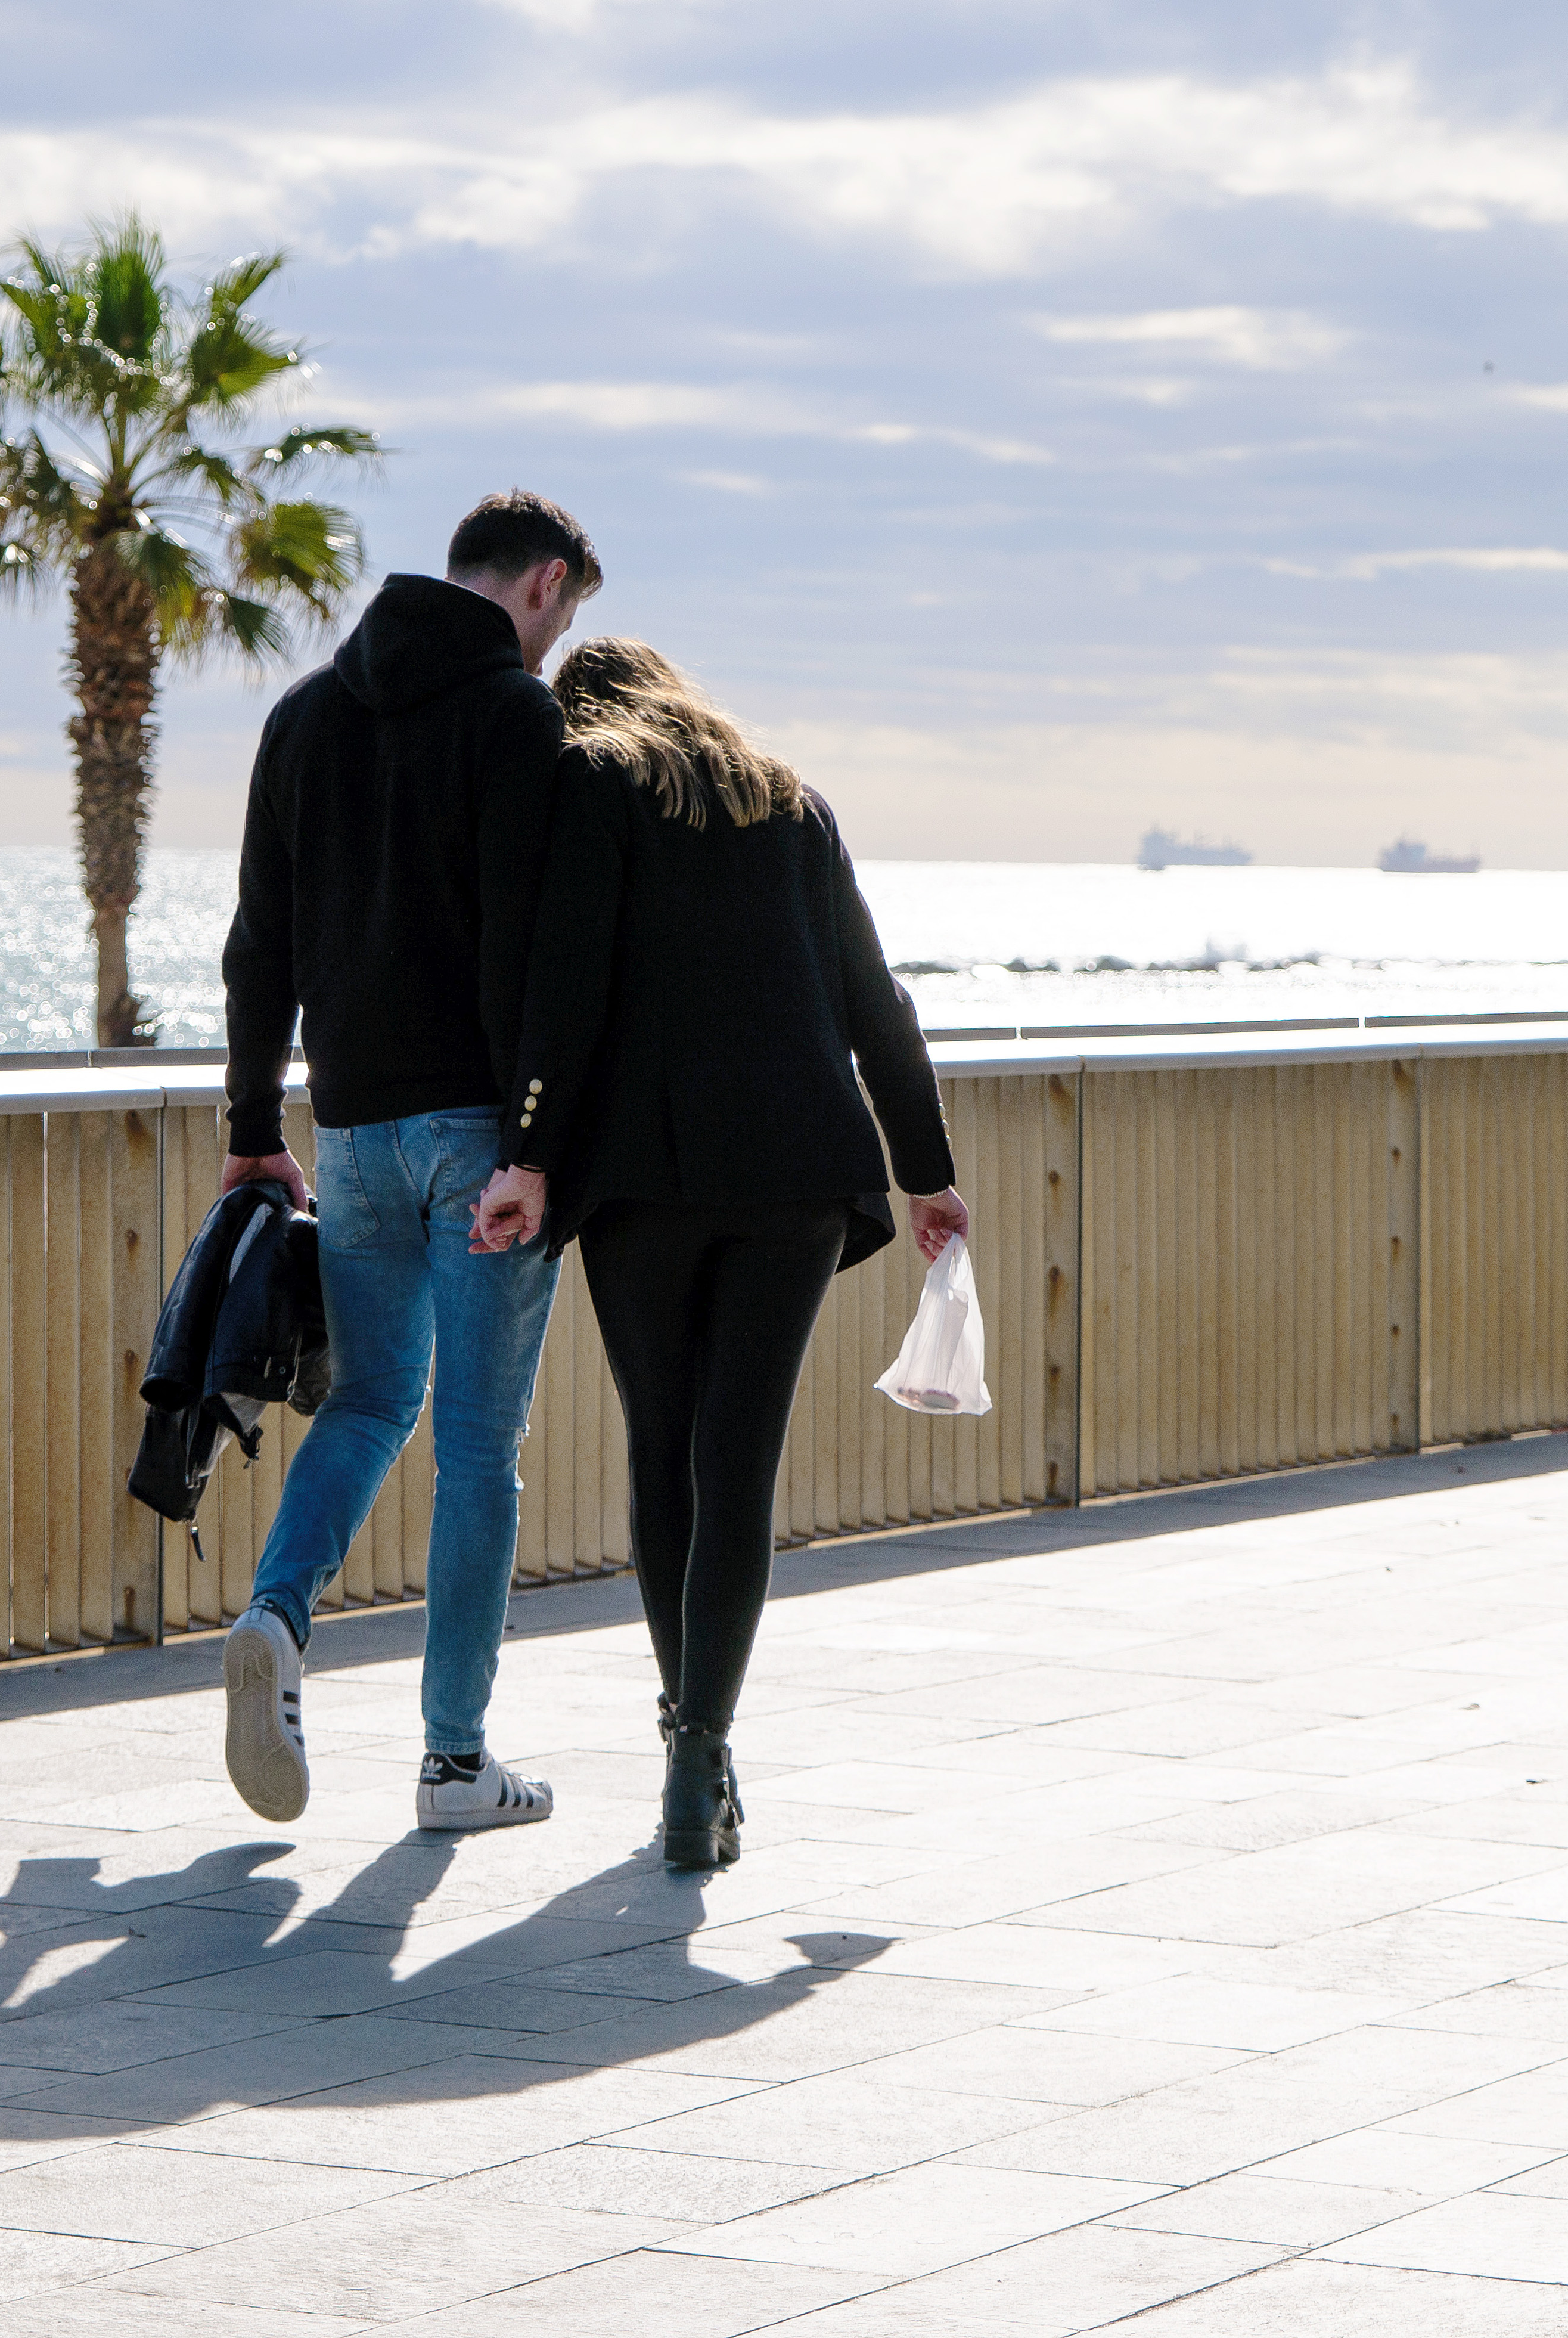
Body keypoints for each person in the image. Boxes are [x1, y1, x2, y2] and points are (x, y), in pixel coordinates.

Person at [471, 638, 965, 1870]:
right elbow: (874, 996)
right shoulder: (792, 800)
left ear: (589, 711)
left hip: (648, 1177)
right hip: (799, 1171)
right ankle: (703, 1749)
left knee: (664, 1452)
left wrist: (528, 1151)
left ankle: (688, 1737)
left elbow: (565, 984)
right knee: (737, 1460)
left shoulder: (591, 778)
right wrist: (927, 1169)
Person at [215, 490, 603, 1833]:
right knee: (480, 1450)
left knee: (371, 1402)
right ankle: (453, 1761)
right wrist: (537, 1147)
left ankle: (277, 1609)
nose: (551, 650)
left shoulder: (305, 714)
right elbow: (535, 951)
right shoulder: (514, 716)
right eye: (561, 621)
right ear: (544, 584)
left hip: (352, 1129)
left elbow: (257, 941)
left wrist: (255, 1131)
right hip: (478, 1139)